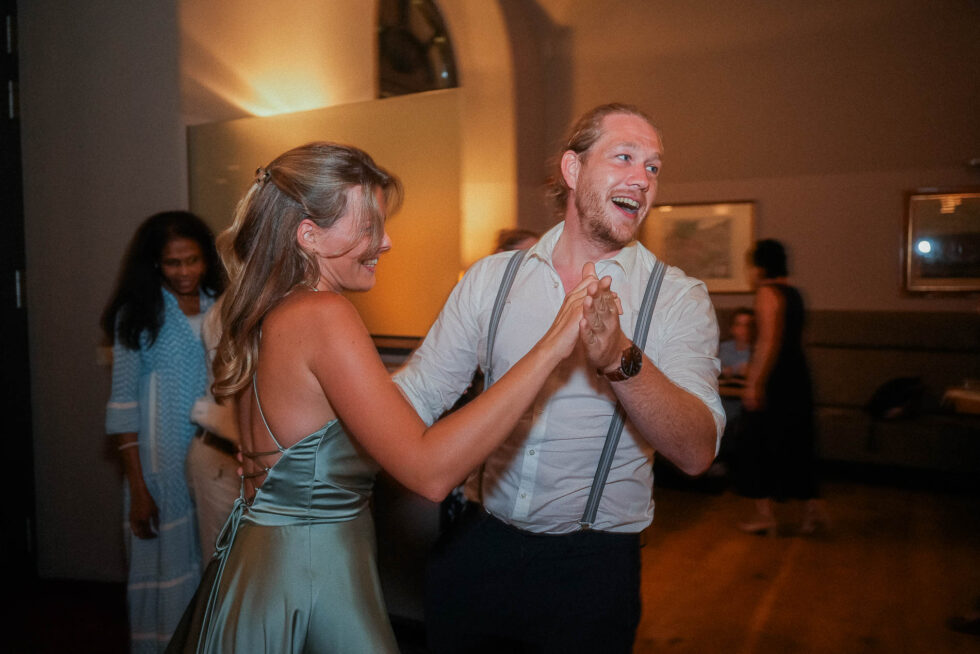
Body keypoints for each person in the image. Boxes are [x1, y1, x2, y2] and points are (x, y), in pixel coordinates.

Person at [166, 142, 613, 653]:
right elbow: (430, 472)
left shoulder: (268, 311)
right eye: (369, 227)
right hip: (311, 576)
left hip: (260, 563)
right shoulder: (323, 315)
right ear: (309, 235)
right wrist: (552, 347)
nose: (386, 242)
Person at [394, 103, 725, 653]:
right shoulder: (492, 280)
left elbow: (696, 452)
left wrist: (619, 357)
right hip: (476, 546)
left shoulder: (677, 298)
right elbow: (418, 392)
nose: (642, 179)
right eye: (624, 157)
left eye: (653, 167)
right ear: (573, 169)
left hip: (591, 571)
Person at [102, 211, 225, 653]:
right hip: (160, 474)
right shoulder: (138, 315)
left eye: (193, 260)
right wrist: (138, 487)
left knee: (216, 569)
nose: (185, 271)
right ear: (156, 263)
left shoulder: (221, 307)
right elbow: (123, 407)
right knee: (164, 574)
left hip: (214, 464)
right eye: (173, 262)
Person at [736, 239, 828, 536]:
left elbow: (768, 342)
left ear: (760, 267)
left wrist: (754, 384)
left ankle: (765, 516)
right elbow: (799, 339)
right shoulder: (796, 293)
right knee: (799, 443)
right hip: (798, 374)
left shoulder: (767, 293)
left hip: (775, 378)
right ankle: (811, 513)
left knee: (759, 442)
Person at [185, 296, 240, 568]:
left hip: (246, 459)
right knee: (222, 570)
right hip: (221, 457)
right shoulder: (231, 308)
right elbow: (226, 389)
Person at [714, 307, 755, 474]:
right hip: (721, 398)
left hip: (743, 402)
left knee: (736, 421)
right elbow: (712, 369)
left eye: (747, 325)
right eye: (738, 324)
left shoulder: (756, 350)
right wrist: (724, 370)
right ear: (732, 328)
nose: (742, 330)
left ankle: (727, 463)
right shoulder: (723, 348)